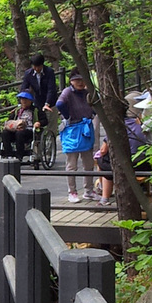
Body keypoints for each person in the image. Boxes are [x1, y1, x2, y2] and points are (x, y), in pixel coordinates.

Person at [95, 96, 151, 206]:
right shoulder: (139, 123)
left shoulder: (114, 125)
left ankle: (104, 198)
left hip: (123, 165)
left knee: (103, 162)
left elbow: (103, 150)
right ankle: (145, 190)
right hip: (142, 163)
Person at [56, 69, 97, 203]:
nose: (80, 82)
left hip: (85, 127)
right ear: (71, 81)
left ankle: (89, 190)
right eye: (77, 80)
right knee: (72, 163)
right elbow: (60, 104)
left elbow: (96, 104)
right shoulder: (67, 92)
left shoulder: (87, 92)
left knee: (89, 162)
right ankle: (72, 192)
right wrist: (67, 116)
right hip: (72, 129)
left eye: (82, 79)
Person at [21, 54, 58, 128]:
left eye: (39, 66)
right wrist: (21, 103)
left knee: (51, 125)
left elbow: (51, 89)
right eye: (34, 66)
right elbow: (24, 88)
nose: (37, 69)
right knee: (39, 123)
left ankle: (52, 138)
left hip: (50, 101)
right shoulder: (28, 74)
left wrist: (47, 103)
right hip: (37, 102)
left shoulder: (49, 72)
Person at [0, 91, 36, 161]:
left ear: (30, 101)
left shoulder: (35, 110)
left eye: (26, 99)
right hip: (15, 129)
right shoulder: (17, 110)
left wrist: (38, 123)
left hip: (29, 131)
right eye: (22, 99)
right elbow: (10, 119)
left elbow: (44, 120)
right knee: (5, 133)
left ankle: (19, 155)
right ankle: (8, 154)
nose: (24, 101)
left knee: (20, 133)